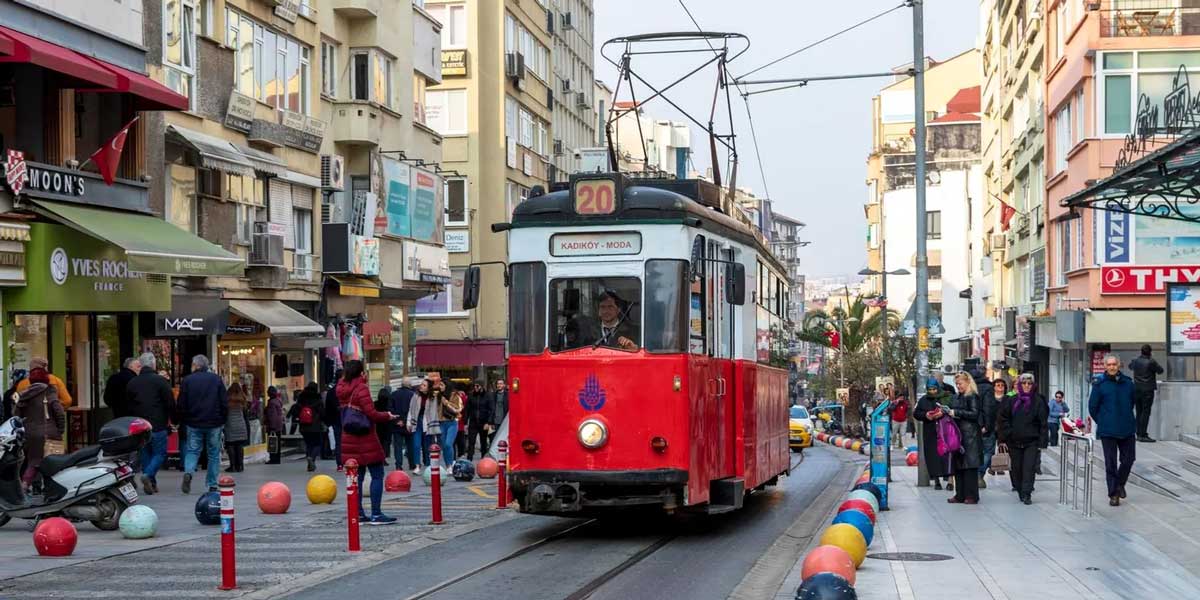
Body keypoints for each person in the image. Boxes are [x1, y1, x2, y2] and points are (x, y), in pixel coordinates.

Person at [337, 360, 401, 525]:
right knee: (377, 474)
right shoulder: (361, 388)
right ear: (361, 373)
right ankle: (376, 513)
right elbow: (371, 414)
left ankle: (357, 513)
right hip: (365, 438)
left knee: (357, 477)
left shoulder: (341, 388)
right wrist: (387, 415)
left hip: (348, 436)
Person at [1089, 354, 1137, 507]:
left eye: (1114, 364)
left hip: (1127, 428)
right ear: (1105, 366)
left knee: (1128, 460)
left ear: (1119, 365)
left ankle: (1120, 483)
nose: (1111, 367)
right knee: (1110, 463)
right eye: (1109, 365)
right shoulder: (1099, 384)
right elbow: (1093, 407)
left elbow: (1132, 402)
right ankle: (1113, 494)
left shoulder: (1128, 383)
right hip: (1108, 430)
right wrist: (1103, 421)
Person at [176, 355, 226, 494]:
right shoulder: (216, 379)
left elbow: (181, 403)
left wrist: (184, 418)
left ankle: (189, 472)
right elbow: (223, 401)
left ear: (195, 365)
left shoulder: (188, 380)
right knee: (213, 453)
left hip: (194, 422)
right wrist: (223, 419)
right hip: (214, 422)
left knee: (192, 450)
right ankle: (212, 484)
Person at [996, 373, 1048, 505]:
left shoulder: (1038, 401)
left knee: (1029, 468)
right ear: (1019, 385)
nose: (1026, 386)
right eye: (1024, 383)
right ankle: (1020, 489)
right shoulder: (1012, 400)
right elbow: (1003, 418)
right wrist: (1007, 435)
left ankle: (1027, 493)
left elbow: (1043, 422)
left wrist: (1042, 442)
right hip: (1014, 441)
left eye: (1029, 383)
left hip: (1032, 441)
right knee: (1017, 468)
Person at [125, 353, 174, 493]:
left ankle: (151, 483)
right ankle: (148, 475)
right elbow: (169, 402)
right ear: (153, 365)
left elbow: (128, 405)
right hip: (158, 424)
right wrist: (174, 420)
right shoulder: (160, 381)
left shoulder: (133, 383)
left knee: (145, 453)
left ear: (141, 365)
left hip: (140, 425)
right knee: (160, 453)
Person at [14, 367, 65, 490]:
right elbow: (59, 412)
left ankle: (29, 485)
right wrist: (60, 430)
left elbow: (16, 415)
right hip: (50, 433)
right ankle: (50, 488)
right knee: (54, 463)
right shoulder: (49, 392)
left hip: (30, 434)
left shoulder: (25, 395)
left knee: (34, 461)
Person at [944, 372, 983, 504]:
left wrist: (956, 412)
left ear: (967, 382)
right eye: (957, 384)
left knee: (970, 467)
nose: (958, 386)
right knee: (959, 466)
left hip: (970, 435)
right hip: (958, 434)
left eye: (960, 383)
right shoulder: (957, 397)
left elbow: (974, 413)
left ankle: (971, 495)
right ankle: (960, 494)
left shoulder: (972, 396)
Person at [913, 377, 952, 491]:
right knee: (932, 456)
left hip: (946, 431)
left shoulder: (946, 397)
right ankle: (936, 480)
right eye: (930, 389)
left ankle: (950, 480)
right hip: (930, 432)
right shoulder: (924, 400)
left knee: (948, 456)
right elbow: (917, 413)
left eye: (934, 389)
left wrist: (943, 413)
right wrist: (926, 415)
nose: (932, 392)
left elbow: (953, 409)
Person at [1129, 344, 1164, 443]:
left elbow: (1130, 366)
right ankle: (1142, 434)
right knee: (1146, 412)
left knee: (1139, 412)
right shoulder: (1151, 362)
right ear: (1150, 352)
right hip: (1147, 390)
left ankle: (1138, 433)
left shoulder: (1135, 361)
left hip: (1137, 389)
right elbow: (1161, 371)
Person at [975, 375, 1002, 489]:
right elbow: (988, 409)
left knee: (978, 451)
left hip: (974, 426)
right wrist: (987, 425)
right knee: (988, 451)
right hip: (986, 427)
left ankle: (976, 474)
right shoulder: (988, 389)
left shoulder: (972, 387)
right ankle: (980, 474)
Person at [408, 379, 439, 471]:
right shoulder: (416, 396)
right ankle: (417, 465)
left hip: (428, 423)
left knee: (427, 446)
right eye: (421, 384)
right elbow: (411, 409)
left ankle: (428, 465)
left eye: (424, 385)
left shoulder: (433, 397)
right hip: (417, 422)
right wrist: (408, 422)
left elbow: (435, 412)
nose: (421, 386)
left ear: (429, 388)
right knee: (416, 445)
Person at [389, 378, 419, 471]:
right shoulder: (413, 395)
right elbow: (414, 410)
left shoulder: (393, 394)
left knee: (398, 446)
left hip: (396, 424)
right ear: (409, 385)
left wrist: (397, 420)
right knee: (410, 445)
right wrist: (406, 421)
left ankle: (398, 465)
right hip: (408, 424)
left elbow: (390, 409)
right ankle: (412, 464)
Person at [297, 382, 325, 471]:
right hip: (315, 426)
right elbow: (322, 413)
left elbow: (296, 410)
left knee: (309, 443)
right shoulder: (317, 399)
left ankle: (309, 459)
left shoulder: (301, 398)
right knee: (318, 443)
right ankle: (312, 458)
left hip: (304, 426)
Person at [224, 382, 250, 472]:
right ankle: (241, 466)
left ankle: (233, 466)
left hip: (230, 424)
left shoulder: (227, 399)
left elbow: (224, 413)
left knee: (230, 445)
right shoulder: (242, 399)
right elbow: (246, 414)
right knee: (239, 445)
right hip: (241, 424)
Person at [465, 380, 494, 460]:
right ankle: (469, 459)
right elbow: (467, 409)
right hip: (473, 422)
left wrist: (488, 422)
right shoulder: (471, 395)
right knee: (471, 441)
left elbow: (491, 410)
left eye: (477, 386)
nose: (475, 388)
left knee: (483, 442)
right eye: (474, 386)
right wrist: (465, 423)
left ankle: (483, 458)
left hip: (483, 422)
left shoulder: (488, 396)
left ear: (481, 386)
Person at [439, 380, 463, 464]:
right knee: (444, 446)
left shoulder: (455, 396)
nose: (440, 387)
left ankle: (451, 462)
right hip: (441, 423)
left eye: (442, 385)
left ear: (447, 386)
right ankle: (448, 465)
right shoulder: (438, 396)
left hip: (452, 422)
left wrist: (446, 403)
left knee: (448, 444)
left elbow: (458, 409)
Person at [324, 371, 343, 466]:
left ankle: (340, 464)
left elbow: (327, 408)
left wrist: (328, 422)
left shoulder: (331, 392)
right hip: (348, 419)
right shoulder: (347, 389)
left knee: (338, 442)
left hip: (336, 420)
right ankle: (347, 461)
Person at [374, 386, 394, 466]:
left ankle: (378, 458)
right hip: (387, 425)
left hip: (378, 425)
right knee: (386, 442)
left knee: (379, 442)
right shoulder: (389, 404)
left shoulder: (375, 403)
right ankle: (384, 458)